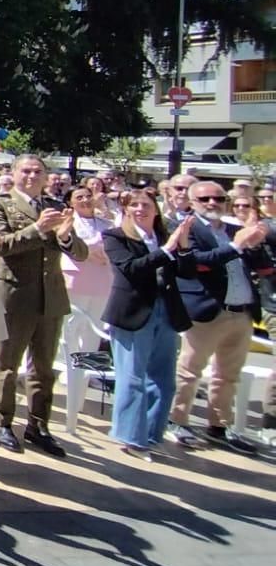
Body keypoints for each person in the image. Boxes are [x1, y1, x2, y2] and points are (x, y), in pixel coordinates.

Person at [0, 154, 88, 457]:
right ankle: (2, 422)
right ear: (13, 174)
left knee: (43, 367)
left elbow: (79, 252)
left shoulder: (54, 206)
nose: (31, 176)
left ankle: (38, 425)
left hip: (50, 296)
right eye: (25, 171)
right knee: (7, 364)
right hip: (14, 295)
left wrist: (66, 236)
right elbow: (1, 245)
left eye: (37, 171)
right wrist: (38, 229)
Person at [165, 180, 273, 454]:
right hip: (207, 312)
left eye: (219, 198)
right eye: (205, 199)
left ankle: (218, 427)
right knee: (189, 371)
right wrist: (236, 246)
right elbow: (193, 263)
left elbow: (263, 268)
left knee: (228, 375)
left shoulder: (235, 230)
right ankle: (176, 420)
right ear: (193, 202)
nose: (213, 203)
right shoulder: (187, 228)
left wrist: (255, 242)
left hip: (242, 311)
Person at [101, 190, 194, 460]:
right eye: (135, 205)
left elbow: (187, 273)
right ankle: (131, 437)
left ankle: (152, 433)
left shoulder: (166, 237)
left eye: (146, 205)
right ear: (127, 210)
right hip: (133, 312)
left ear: (156, 210)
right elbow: (132, 268)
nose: (140, 209)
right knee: (132, 376)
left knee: (164, 379)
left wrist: (184, 247)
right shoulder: (116, 237)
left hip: (165, 310)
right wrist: (167, 251)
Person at [61, 184, 115, 353]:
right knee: (71, 325)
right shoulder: (68, 223)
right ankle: (68, 369)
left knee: (95, 328)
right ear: (70, 202)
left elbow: (114, 247)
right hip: (76, 279)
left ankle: (88, 370)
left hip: (102, 279)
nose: (85, 200)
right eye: (79, 197)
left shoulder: (107, 223)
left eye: (88, 196)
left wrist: (95, 250)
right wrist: (92, 248)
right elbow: (71, 246)